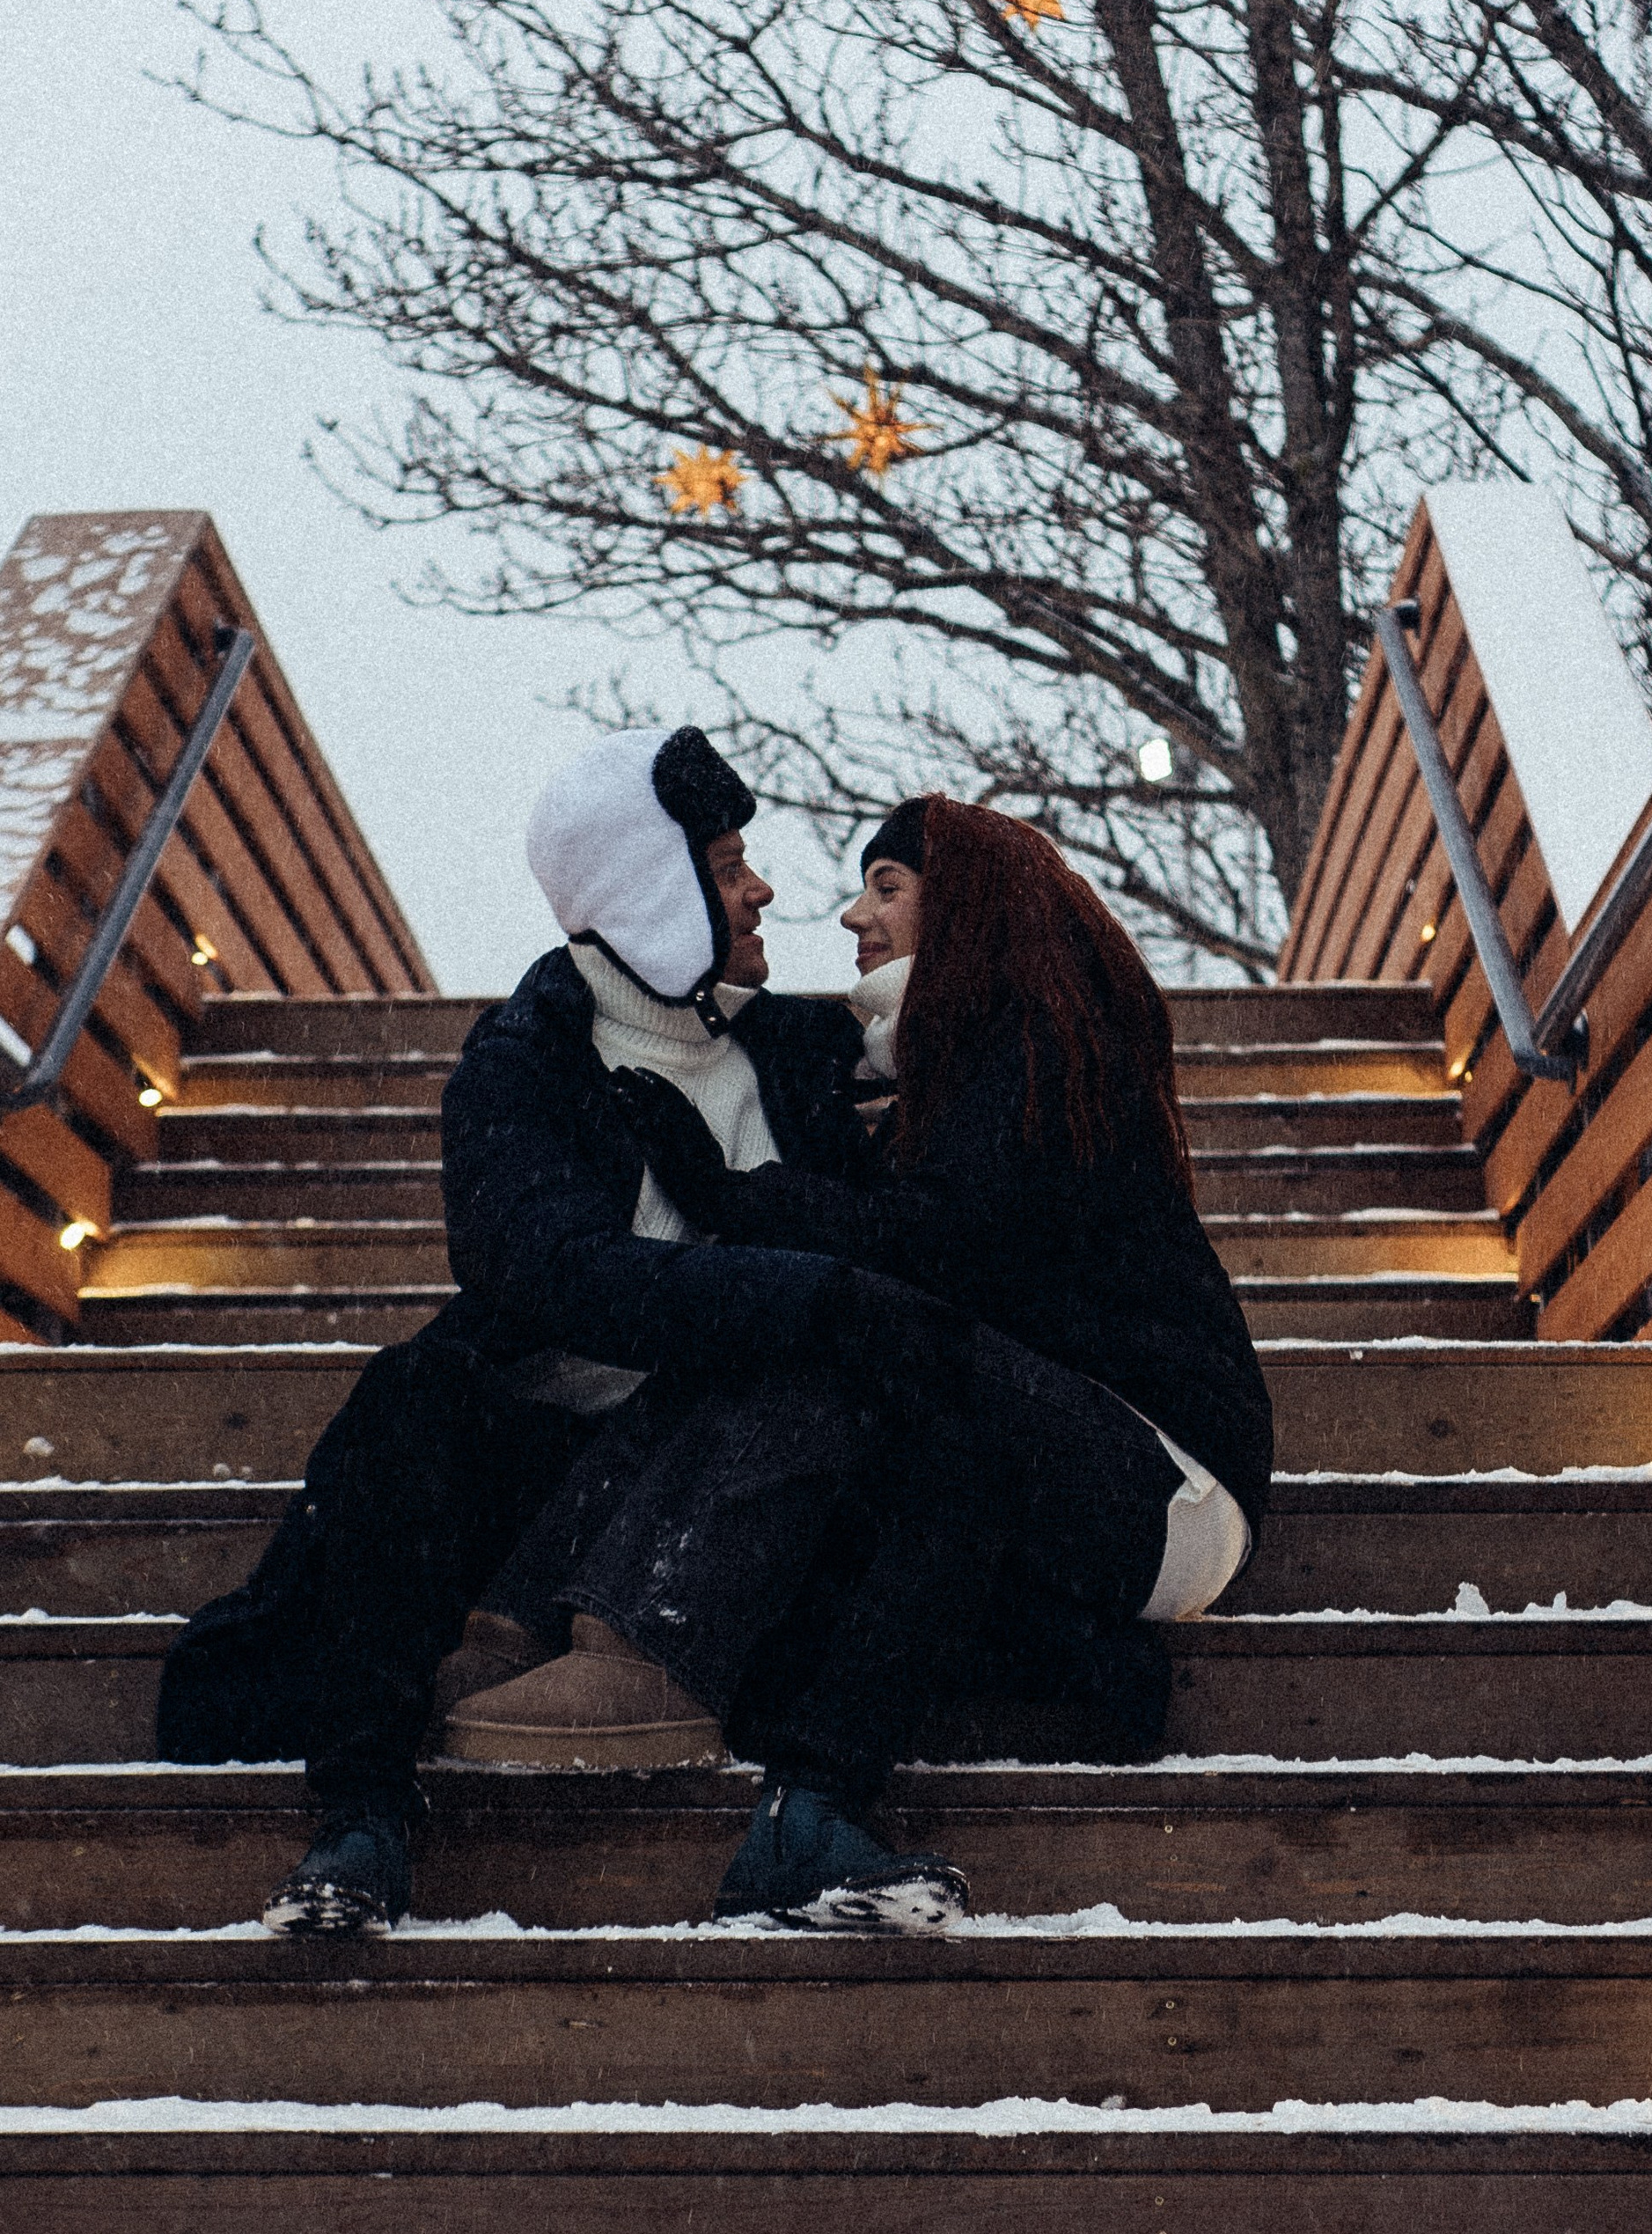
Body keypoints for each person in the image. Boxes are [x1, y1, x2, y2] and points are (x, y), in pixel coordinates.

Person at [447, 793, 1274, 1925]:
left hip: (1161, 1473)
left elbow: (935, 1250)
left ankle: (645, 1649)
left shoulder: (1035, 1044)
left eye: (887, 886)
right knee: (802, 1339)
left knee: (831, 1321)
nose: (851, 914)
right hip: (1047, 1464)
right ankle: (582, 1661)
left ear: (972, 902)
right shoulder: (941, 1066)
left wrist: (737, 1197)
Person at [158, 724, 902, 1933]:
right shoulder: (524, 1067)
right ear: (650, 894)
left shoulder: (808, 1056)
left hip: (752, 1479)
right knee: (409, 1398)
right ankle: (362, 1818)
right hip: (544, 1464)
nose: (761, 888)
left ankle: (809, 1802)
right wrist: (799, 1294)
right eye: (723, 866)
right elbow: (554, 1274)